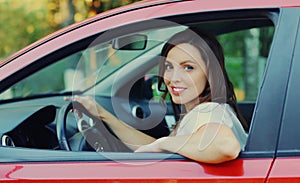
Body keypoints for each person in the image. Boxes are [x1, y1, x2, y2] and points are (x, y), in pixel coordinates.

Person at [72, 28, 248, 164]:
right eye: (169, 67)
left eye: (188, 67)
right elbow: (152, 147)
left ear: (210, 74)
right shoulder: (203, 110)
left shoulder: (207, 111)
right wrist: (103, 115)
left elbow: (226, 146)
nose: (173, 78)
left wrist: (162, 144)